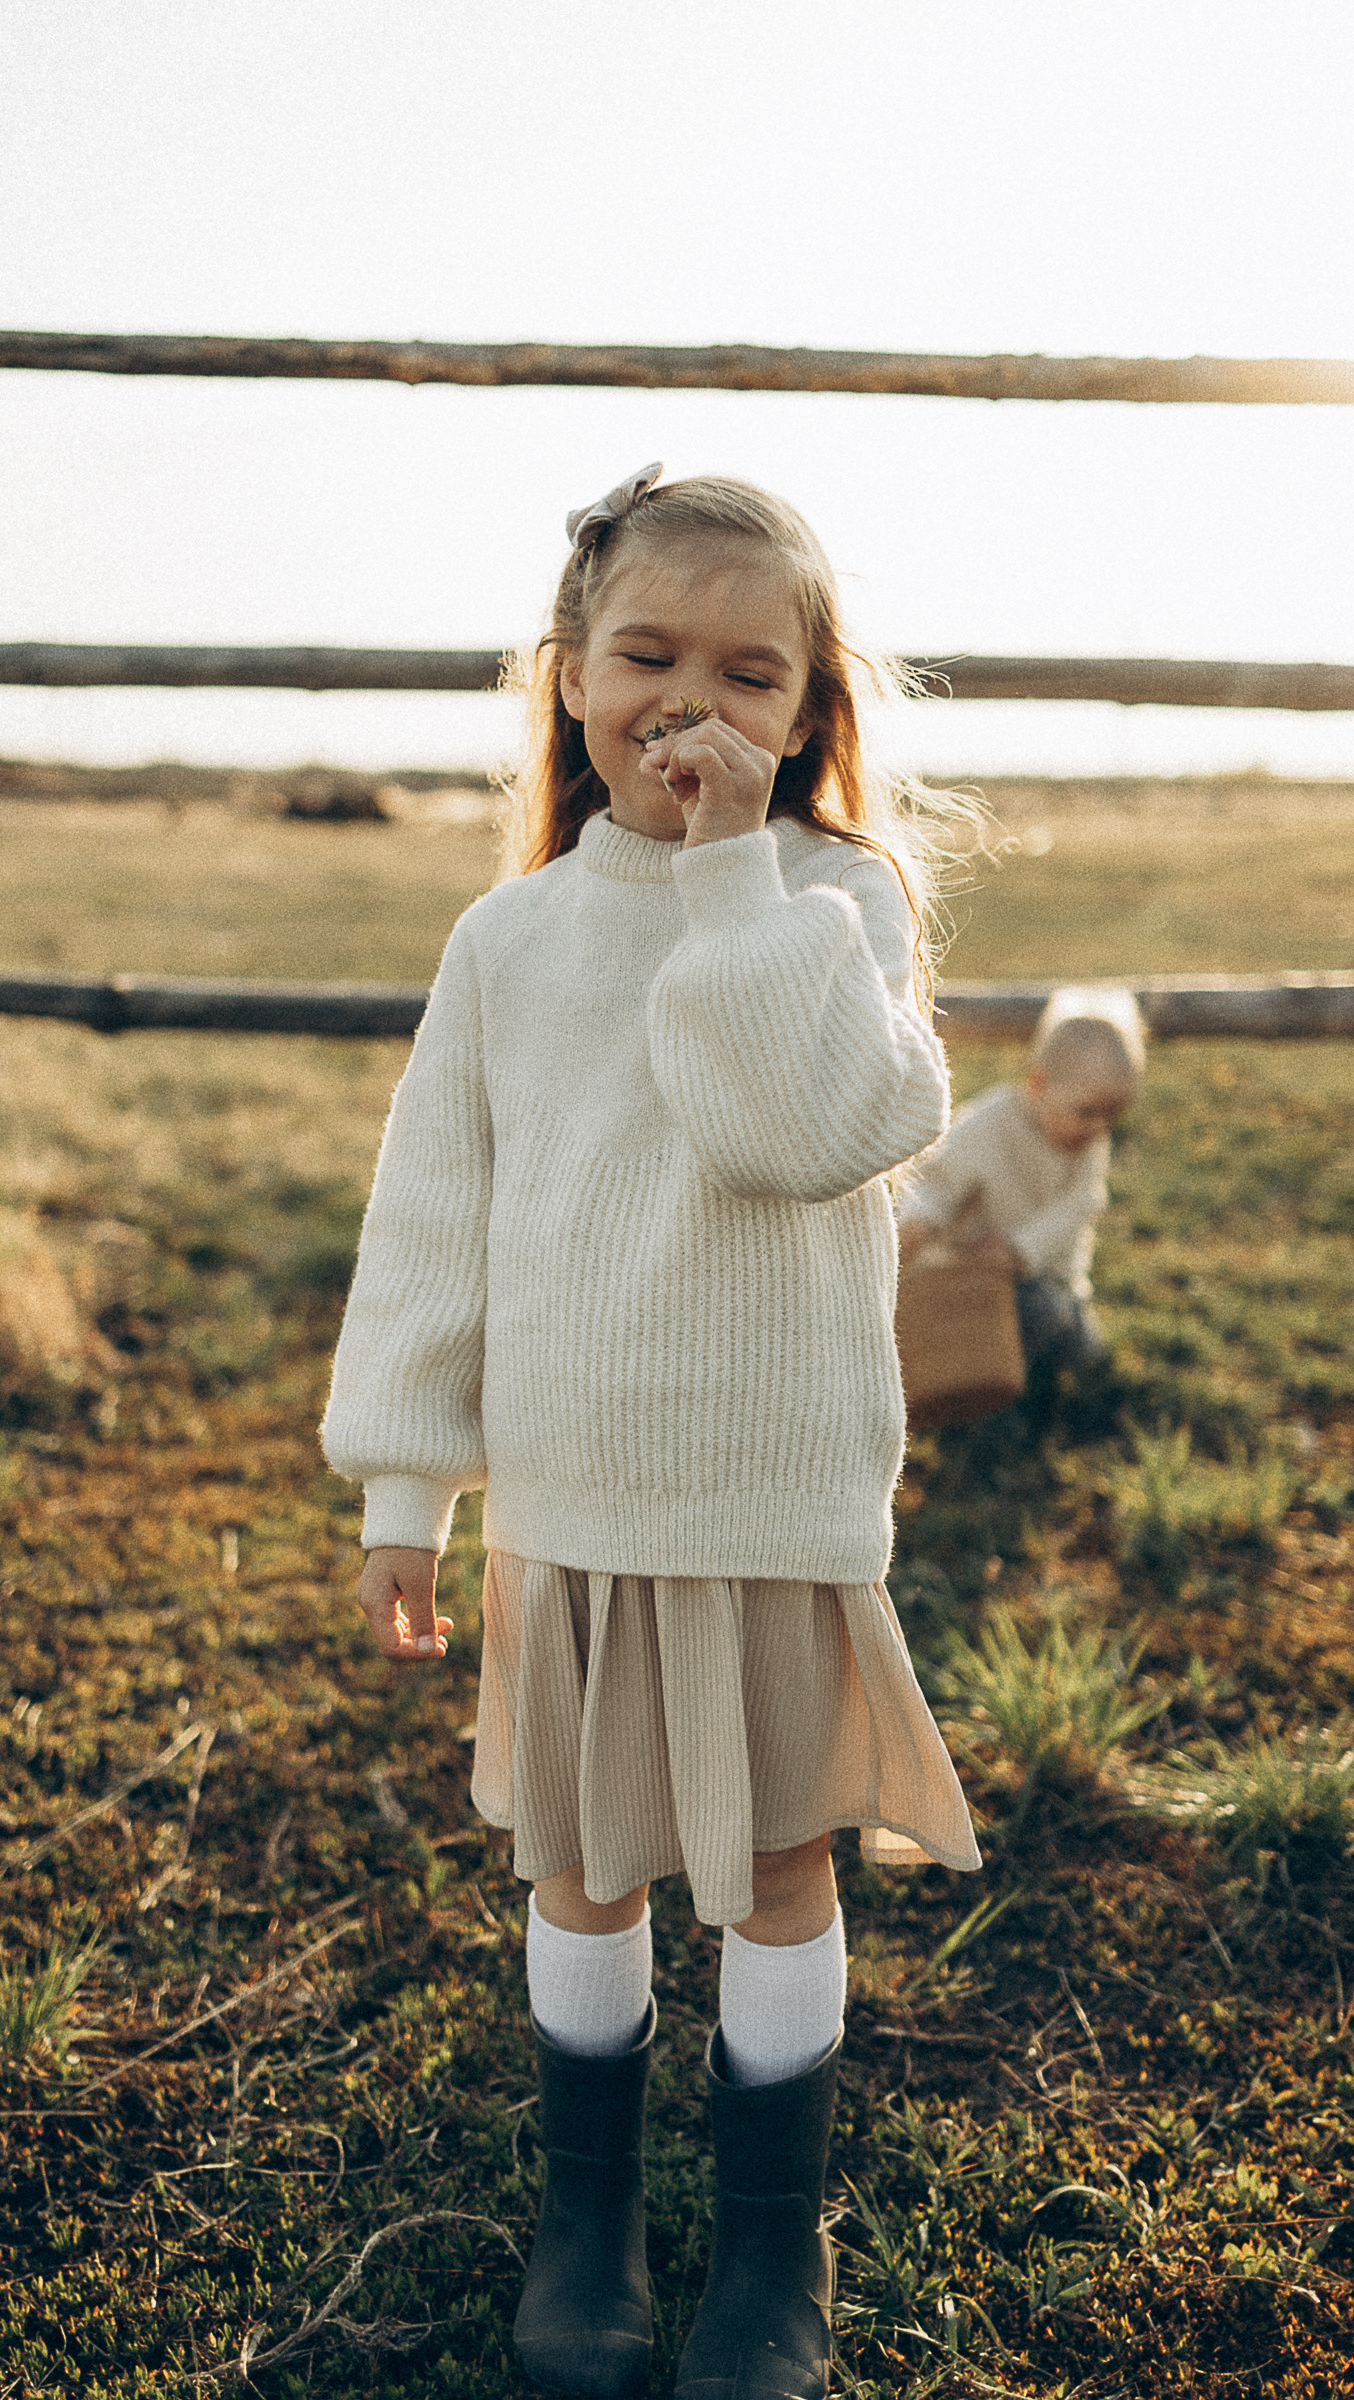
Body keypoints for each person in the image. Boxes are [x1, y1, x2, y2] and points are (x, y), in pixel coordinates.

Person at [322, 464, 981, 2400]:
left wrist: (725, 870)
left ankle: (772, 2252)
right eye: (646, 655)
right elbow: (429, 1225)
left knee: (779, 1868)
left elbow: (796, 1126)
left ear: (801, 709)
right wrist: (401, 1486)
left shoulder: (840, 905)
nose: (689, 702)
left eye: (745, 672)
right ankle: (582, 2221)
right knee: (583, 1870)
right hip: (574, 1499)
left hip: (770, 1494)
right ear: (565, 673)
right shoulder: (505, 942)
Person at [897, 985, 1146, 1379]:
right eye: (1087, 1111)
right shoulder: (988, 1126)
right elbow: (936, 1179)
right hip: (973, 1276)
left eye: (1113, 1116)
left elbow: (1080, 1207)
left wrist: (1019, 1250)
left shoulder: (1089, 1142)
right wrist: (921, 1219)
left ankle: (1050, 1371)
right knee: (1001, 1353)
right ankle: (998, 1391)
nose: (1100, 1127)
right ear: (1038, 1084)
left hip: (1050, 1276)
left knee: (1080, 1352)